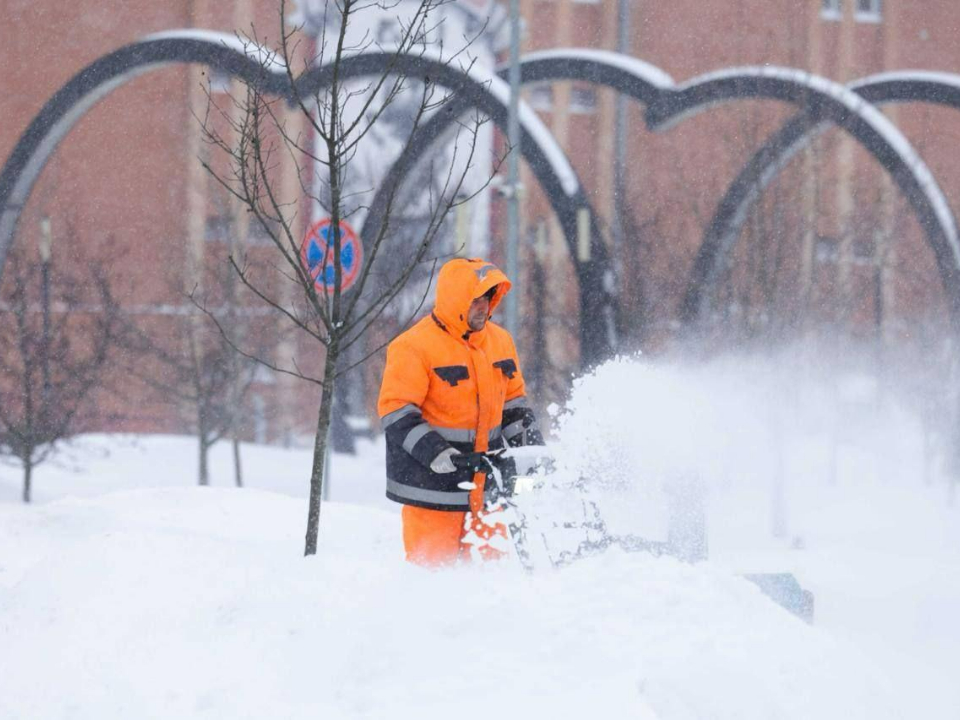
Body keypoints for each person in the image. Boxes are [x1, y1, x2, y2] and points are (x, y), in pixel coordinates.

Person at [378, 257, 544, 566]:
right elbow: (396, 411)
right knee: (430, 583)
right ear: (456, 299)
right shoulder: (414, 347)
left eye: (488, 298)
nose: (483, 306)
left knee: (487, 583)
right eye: (475, 299)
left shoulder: (501, 342)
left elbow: (514, 404)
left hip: (489, 490)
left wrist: (532, 451)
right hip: (433, 493)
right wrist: (440, 454)